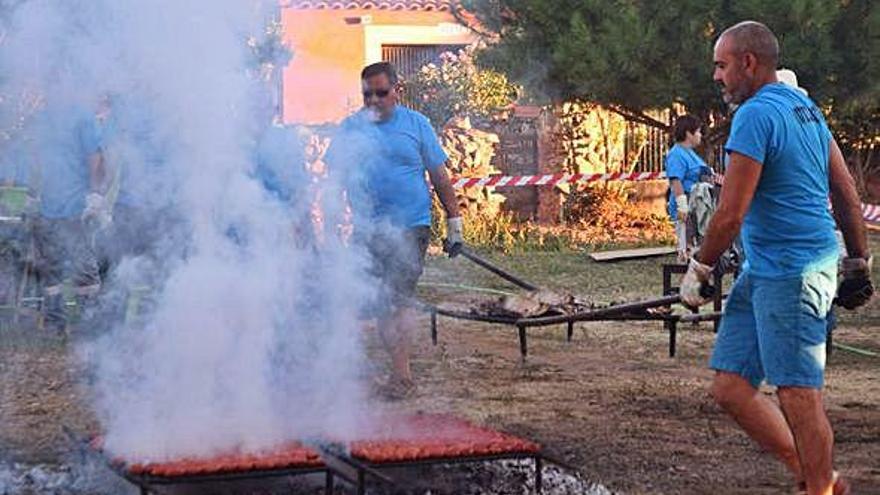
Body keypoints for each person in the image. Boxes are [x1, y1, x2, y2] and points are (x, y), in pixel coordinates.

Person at [681, 21, 871, 495]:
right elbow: (846, 192)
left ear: (749, 62)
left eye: (721, 65)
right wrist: (857, 260)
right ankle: (815, 477)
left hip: (794, 273)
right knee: (730, 387)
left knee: (798, 395)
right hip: (765, 269)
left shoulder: (754, 115)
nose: (716, 77)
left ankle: (819, 488)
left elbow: (729, 214)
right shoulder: (804, 107)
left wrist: (699, 269)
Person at [325, 61, 462, 398]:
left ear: (396, 91)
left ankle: (401, 376)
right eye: (367, 94)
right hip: (366, 230)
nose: (373, 100)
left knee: (394, 299)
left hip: (411, 228)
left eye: (381, 93)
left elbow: (439, 176)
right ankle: (347, 372)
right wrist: (329, 227)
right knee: (361, 299)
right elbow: (334, 181)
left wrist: (454, 222)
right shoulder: (350, 129)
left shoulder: (417, 125)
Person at [31, 100, 110, 333]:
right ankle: (55, 323)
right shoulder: (44, 116)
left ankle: (89, 323)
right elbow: (38, 158)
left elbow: (96, 157)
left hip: (75, 205)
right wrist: (33, 193)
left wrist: (95, 194)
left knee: (83, 268)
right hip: (48, 206)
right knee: (50, 268)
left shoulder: (83, 117)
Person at [665, 114, 713, 262]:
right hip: (687, 208)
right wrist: (682, 205)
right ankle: (688, 282)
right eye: (698, 131)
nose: (700, 135)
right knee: (688, 249)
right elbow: (675, 180)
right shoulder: (676, 154)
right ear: (688, 133)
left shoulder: (691, 154)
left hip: (700, 207)